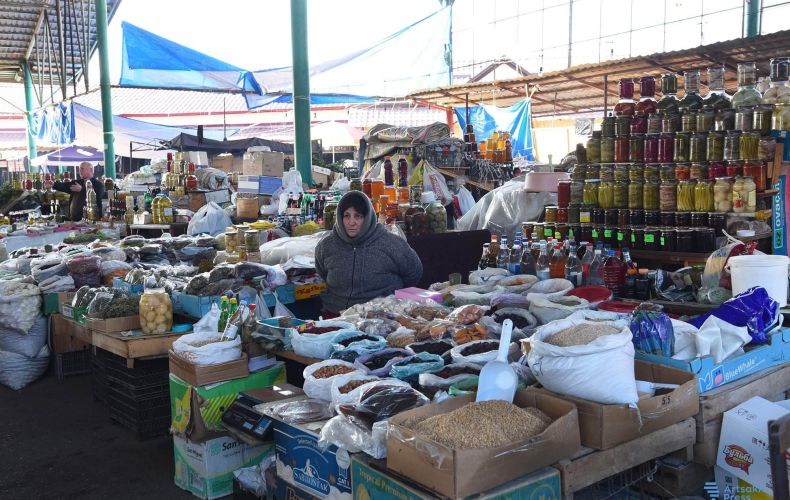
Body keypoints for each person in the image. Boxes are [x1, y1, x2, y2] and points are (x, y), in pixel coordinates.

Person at [315, 190, 423, 316]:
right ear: (339, 217)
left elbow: (414, 272)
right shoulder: (327, 245)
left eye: (358, 216)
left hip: (382, 317)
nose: (351, 222)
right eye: (346, 216)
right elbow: (322, 272)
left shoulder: (391, 243)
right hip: (337, 317)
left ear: (367, 217)